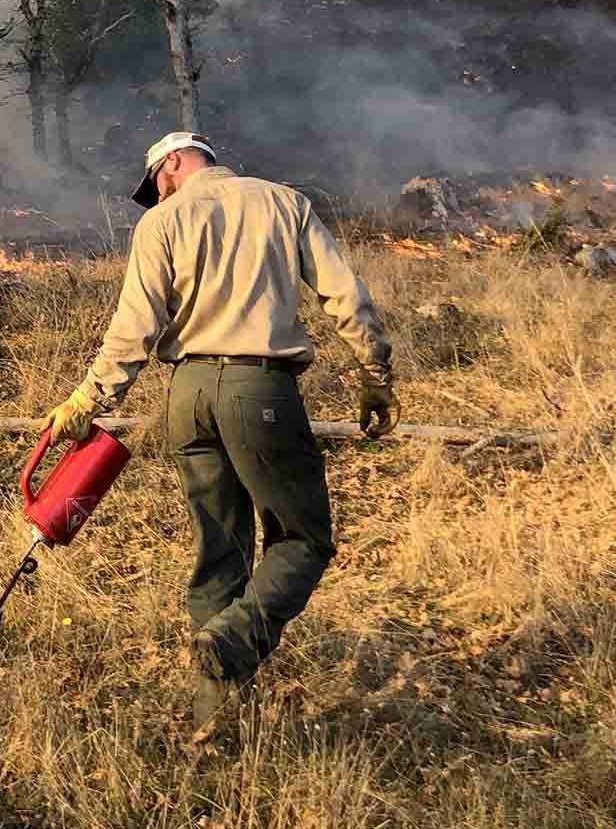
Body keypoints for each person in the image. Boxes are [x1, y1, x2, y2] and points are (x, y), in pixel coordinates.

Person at [39, 131, 398, 741]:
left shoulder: (163, 224)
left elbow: (136, 326)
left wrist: (90, 398)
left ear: (175, 161)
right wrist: (375, 372)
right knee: (304, 541)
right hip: (261, 391)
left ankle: (217, 715)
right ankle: (232, 639)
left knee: (221, 549)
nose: (157, 192)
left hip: (189, 395)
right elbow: (344, 293)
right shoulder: (285, 204)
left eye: (157, 179)